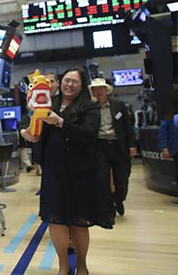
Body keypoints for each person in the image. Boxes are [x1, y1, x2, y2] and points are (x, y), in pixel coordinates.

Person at [21, 68, 112, 275]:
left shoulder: (89, 107)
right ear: (60, 83)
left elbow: (88, 135)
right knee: (56, 220)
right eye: (66, 80)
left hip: (81, 172)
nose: (69, 85)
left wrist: (60, 122)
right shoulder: (47, 103)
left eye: (75, 82)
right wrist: (26, 132)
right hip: (53, 171)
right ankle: (63, 265)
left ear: (81, 86)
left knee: (79, 221)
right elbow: (29, 125)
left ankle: (82, 265)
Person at [89, 78, 135, 216]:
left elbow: (128, 126)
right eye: (95, 89)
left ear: (106, 90)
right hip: (99, 146)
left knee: (121, 177)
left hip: (118, 145)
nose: (98, 92)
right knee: (102, 178)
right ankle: (108, 206)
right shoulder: (91, 108)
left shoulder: (119, 105)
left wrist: (132, 145)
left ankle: (119, 199)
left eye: (101, 89)